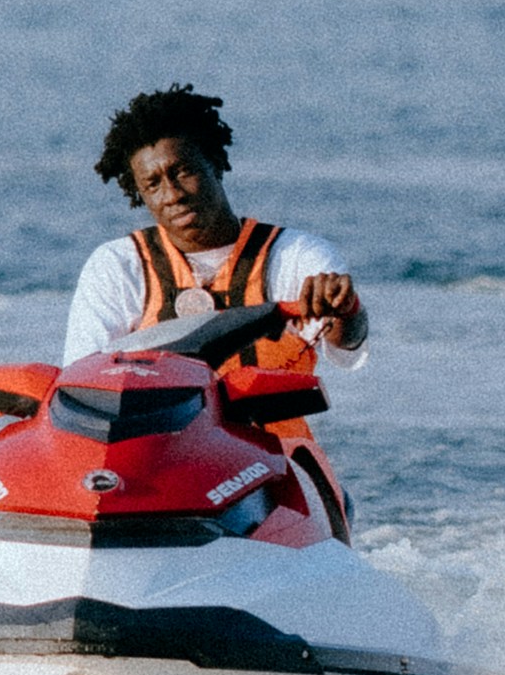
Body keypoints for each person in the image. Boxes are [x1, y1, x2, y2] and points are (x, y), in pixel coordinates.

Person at [61, 86, 367, 535]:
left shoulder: (297, 255)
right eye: (154, 184)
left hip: (276, 479)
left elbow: (350, 343)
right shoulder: (117, 266)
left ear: (216, 162)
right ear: (139, 194)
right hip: (156, 478)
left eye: (182, 171)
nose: (172, 194)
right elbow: (81, 382)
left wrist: (345, 306)